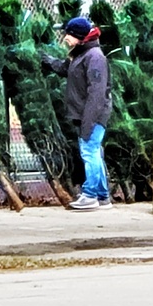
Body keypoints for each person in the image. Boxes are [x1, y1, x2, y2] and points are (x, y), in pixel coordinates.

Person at [42, 16, 113, 211]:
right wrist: (48, 61)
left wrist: (88, 122)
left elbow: (96, 93)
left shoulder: (95, 57)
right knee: (94, 152)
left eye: (69, 34)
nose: (65, 37)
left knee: (89, 151)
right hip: (86, 114)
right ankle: (102, 196)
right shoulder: (81, 54)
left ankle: (90, 195)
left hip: (92, 115)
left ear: (80, 37)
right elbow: (67, 69)